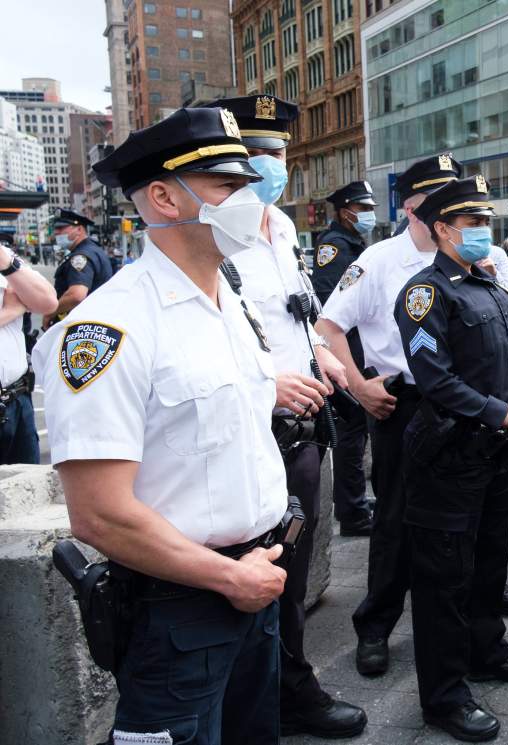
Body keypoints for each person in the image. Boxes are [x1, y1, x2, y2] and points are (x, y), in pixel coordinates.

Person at [34, 106, 291, 745]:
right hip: (182, 604)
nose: (249, 202)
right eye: (228, 188)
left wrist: (248, 574)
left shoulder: (228, 300)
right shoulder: (110, 328)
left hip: (257, 579)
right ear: (163, 198)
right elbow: (100, 513)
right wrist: (229, 577)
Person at [206, 94, 366, 739]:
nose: (273, 165)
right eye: (258, 154)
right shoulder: (213, 229)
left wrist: (323, 356)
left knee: (290, 567)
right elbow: (203, 332)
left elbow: (291, 316)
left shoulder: (281, 228)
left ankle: (285, 684)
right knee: (252, 568)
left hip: (303, 426)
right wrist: (265, 380)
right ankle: (260, 695)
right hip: (247, 429)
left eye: (279, 153)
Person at [396, 175, 508, 742]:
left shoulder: (490, 285)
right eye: (472, 225)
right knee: (443, 581)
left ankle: (488, 651)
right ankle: (443, 696)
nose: (484, 233)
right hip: (447, 459)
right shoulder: (425, 294)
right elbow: (436, 381)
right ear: (442, 229)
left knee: (488, 567)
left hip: (492, 457)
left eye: (487, 223)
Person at [312, 180, 378, 537]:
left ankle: (354, 499)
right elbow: (330, 301)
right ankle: (352, 513)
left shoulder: (354, 243)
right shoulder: (335, 247)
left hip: (356, 346)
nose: (368, 215)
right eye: (363, 209)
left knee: (358, 434)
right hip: (343, 348)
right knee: (351, 433)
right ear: (345, 211)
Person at [0, 239, 57, 463]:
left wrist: (8, 264)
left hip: (17, 400)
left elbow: (48, 302)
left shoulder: (5, 257)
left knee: (29, 486)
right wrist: (12, 311)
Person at [46, 209, 114, 327]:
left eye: (61, 228)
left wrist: (50, 313)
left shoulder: (81, 256)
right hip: (95, 321)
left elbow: (76, 294)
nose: (56, 232)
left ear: (79, 229)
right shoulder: (93, 250)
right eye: (56, 229)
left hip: (83, 324)